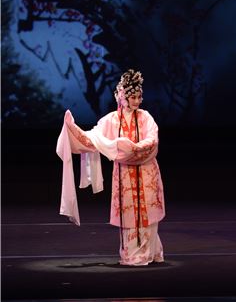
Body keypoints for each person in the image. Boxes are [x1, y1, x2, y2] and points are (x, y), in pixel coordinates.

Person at [57, 69, 165, 266]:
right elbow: (93, 139)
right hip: (124, 174)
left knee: (148, 213)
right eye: (133, 97)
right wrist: (72, 128)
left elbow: (153, 140)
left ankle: (150, 252)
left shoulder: (145, 117)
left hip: (147, 171)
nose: (137, 101)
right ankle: (132, 255)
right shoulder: (111, 120)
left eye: (139, 97)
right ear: (123, 97)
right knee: (129, 214)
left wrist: (132, 148)